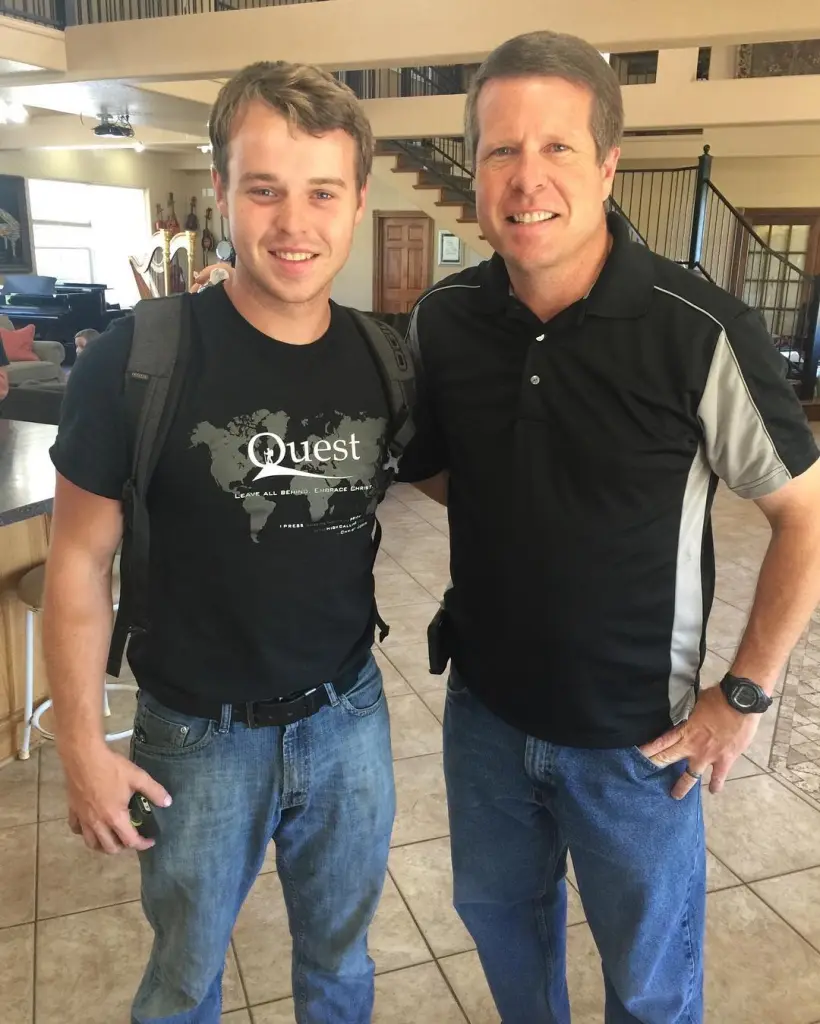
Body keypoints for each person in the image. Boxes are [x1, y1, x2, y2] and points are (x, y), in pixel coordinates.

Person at [398, 31, 820, 1024]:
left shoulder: (699, 327)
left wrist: (745, 692)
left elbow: (802, 516)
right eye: (501, 149)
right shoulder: (445, 318)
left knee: (649, 982)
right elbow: (432, 465)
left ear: (607, 164)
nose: (525, 177)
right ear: (474, 166)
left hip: (642, 741)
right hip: (484, 719)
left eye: (555, 148)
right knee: (503, 930)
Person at [43, 61, 401, 1024]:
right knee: (185, 979)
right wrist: (81, 746)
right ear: (222, 193)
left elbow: (486, 490)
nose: (295, 223)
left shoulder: (385, 358)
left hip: (349, 719)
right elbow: (76, 562)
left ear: (358, 202)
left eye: (323, 192)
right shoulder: (139, 359)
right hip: (197, 740)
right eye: (265, 189)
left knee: (340, 965)